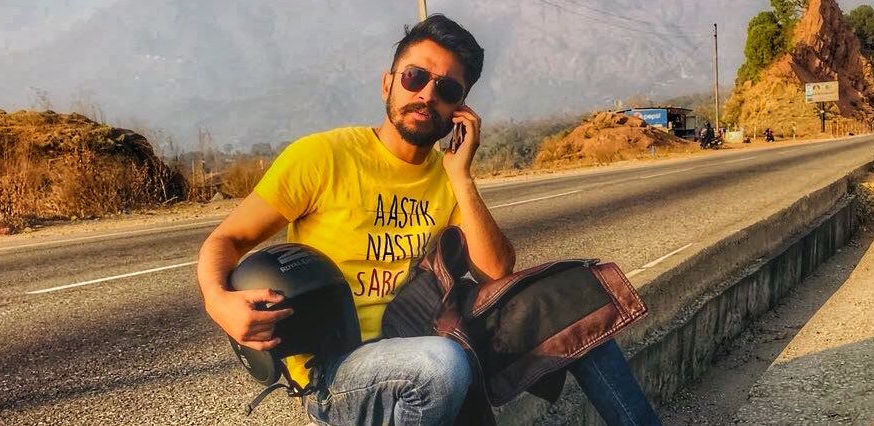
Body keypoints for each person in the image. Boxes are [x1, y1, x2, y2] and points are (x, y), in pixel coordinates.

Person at [197, 14, 661, 425]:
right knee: (441, 364)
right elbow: (228, 239)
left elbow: (495, 270)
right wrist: (219, 302)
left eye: (447, 89)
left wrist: (461, 176)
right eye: (415, 77)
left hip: (427, 330)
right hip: (339, 369)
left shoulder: (447, 175)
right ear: (388, 84)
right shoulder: (322, 157)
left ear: (460, 109)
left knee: (572, 306)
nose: (426, 95)